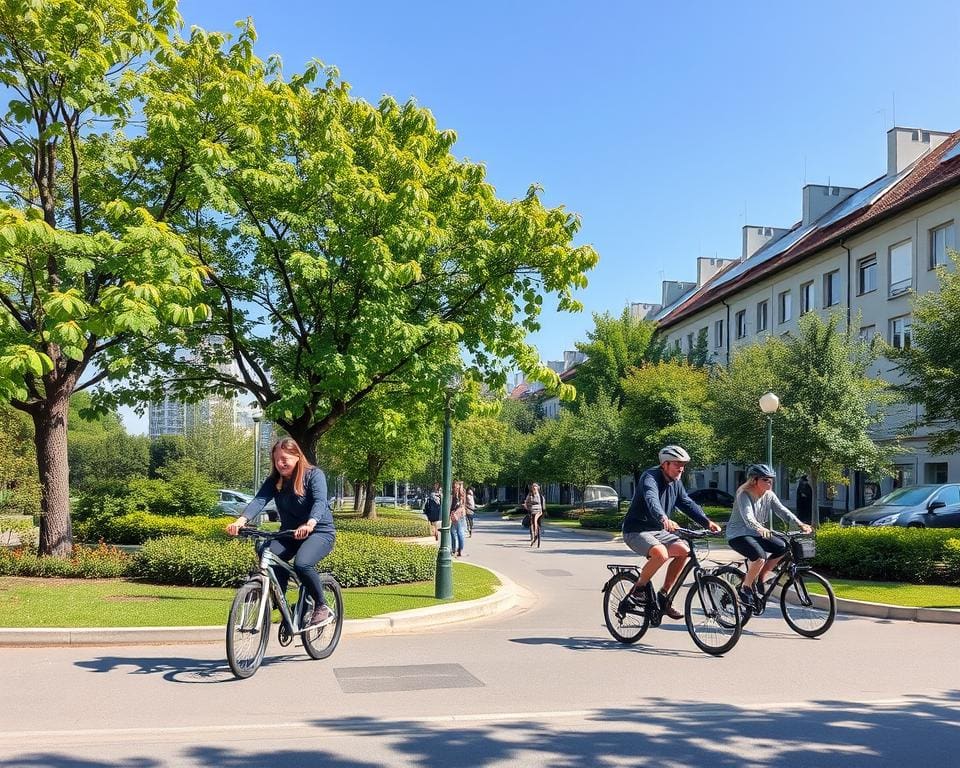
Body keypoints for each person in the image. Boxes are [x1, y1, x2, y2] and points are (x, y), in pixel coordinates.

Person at [226, 438, 336, 628]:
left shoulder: (313, 475)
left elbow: (320, 502)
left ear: (297, 456)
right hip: (290, 533)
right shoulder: (275, 481)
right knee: (266, 552)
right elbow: (259, 501)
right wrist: (240, 521)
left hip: (319, 532)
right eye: (276, 459)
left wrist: (310, 523)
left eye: (284, 458)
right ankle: (282, 601)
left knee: (302, 564)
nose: (280, 463)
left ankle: (321, 605)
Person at [619, 445, 721, 620]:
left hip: (657, 530)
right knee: (661, 553)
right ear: (665, 464)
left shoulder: (676, 483)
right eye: (677, 464)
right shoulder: (650, 477)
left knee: (683, 551)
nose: (681, 468)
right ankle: (638, 589)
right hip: (635, 530)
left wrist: (707, 522)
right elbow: (651, 498)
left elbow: (687, 503)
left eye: (683, 465)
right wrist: (663, 517)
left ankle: (664, 595)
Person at [726, 463, 813, 609]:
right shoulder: (744, 494)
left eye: (771, 479)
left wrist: (800, 524)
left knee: (782, 547)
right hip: (738, 534)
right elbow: (748, 517)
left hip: (758, 532)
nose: (770, 482)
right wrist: (759, 528)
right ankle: (745, 588)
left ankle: (761, 577)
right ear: (754, 480)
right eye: (765, 479)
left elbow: (783, 511)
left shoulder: (769, 495)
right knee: (760, 557)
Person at [450, 480, 467, 557]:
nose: (454, 487)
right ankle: (457, 550)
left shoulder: (460, 493)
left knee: (458, 532)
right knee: (455, 532)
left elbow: (460, 505)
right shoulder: (456, 493)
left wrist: (453, 512)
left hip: (458, 515)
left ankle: (458, 550)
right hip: (457, 515)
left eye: (454, 486)